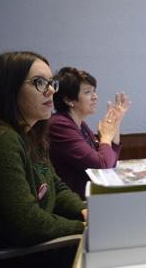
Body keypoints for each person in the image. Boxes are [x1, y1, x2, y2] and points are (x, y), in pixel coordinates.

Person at [0, 52, 86, 255]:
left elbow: (56, 187)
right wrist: (83, 227)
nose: (50, 91)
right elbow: (26, 226)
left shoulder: (31, 135)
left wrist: (82, 212)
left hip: (40, 246)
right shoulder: (0, 139)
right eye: (39, 82)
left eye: (51, 83)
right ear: (9, 88)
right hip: (20, 256)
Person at [49, 67, 130, 199]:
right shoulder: (59, 125)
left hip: (88, 198)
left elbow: (110, 162)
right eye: (88, 92)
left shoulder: (79, 124)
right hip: (73, 205)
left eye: (94, 91)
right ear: (69, 100)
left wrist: (116, 122)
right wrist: (106, 137)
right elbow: (101, 166)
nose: (95, 97)